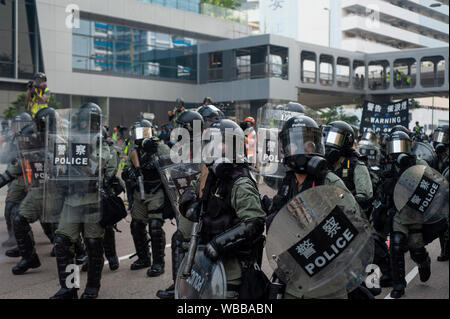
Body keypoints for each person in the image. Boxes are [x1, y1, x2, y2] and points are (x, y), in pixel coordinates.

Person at [265, 115, 367, 299]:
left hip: (327, 277)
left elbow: (355, 222)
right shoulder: (287, 183)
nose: (298, 150)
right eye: (292, 145)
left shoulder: (328, 180)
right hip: (295, 275)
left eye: (307, 144)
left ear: (316, 147)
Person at [178, 119, 266, 299]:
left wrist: (220, 243)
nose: (215, 149)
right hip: (205, 262)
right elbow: (191, 196)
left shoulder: (240, 183)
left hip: (231, 268)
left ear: (235, 147)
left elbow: (254, 223)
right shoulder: (212, 177)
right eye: (212, 143)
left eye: (221, 144)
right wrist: (191, 204)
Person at [51, 102, 114, 299]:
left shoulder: (102, 141)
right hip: (71, 200)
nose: (85, 124)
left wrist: (80, 156)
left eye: (90, 120)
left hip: (92, 201)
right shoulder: (69, 139)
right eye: (83, 120)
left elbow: (97, 166)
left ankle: (92, 287)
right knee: (62, 242)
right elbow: (58, 166)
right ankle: (69, 288)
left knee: (94, 244)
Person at [156, 110, 204, 299]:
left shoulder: (207, 147)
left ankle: (187, 288)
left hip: (202, 203)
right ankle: (179, 284)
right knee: (180, 240)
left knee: (186, 240)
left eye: (181, 127)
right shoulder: (181, 147)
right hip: (185, 200)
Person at [11, 108, 64, 275]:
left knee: (62, 230)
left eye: (39, 122)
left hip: (56, 192)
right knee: (19, 219)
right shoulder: (33, 141)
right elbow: (17, 168)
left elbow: (64, 168)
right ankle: (29, 257)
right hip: (38, 190)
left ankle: (82, 253)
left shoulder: (61, 142)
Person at [122, 119, 170, 277]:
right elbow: (126, 171)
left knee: (155, 226)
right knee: (136, 225)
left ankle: (158, 263)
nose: (142, 136)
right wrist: (130, 173)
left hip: (156, 191)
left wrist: (155, 161)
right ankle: (143, 258)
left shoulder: (161, 148)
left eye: (145, 132)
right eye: (139, 132)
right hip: (139, 194)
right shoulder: (134, 151)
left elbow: (171, 168)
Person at [323, 121, 374, 218]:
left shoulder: (356, 165)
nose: (327, 143)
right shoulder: (323, 165)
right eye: (326, 137)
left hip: (350, 218)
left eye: (334, 138)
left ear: (346, 142)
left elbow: (365, 198)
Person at [431, 125, 449, 262]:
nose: (439, 140)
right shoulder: (435, 156)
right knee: (442, 223)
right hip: (441, 195)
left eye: (443, 136)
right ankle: (445, 250)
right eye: (438, 136)